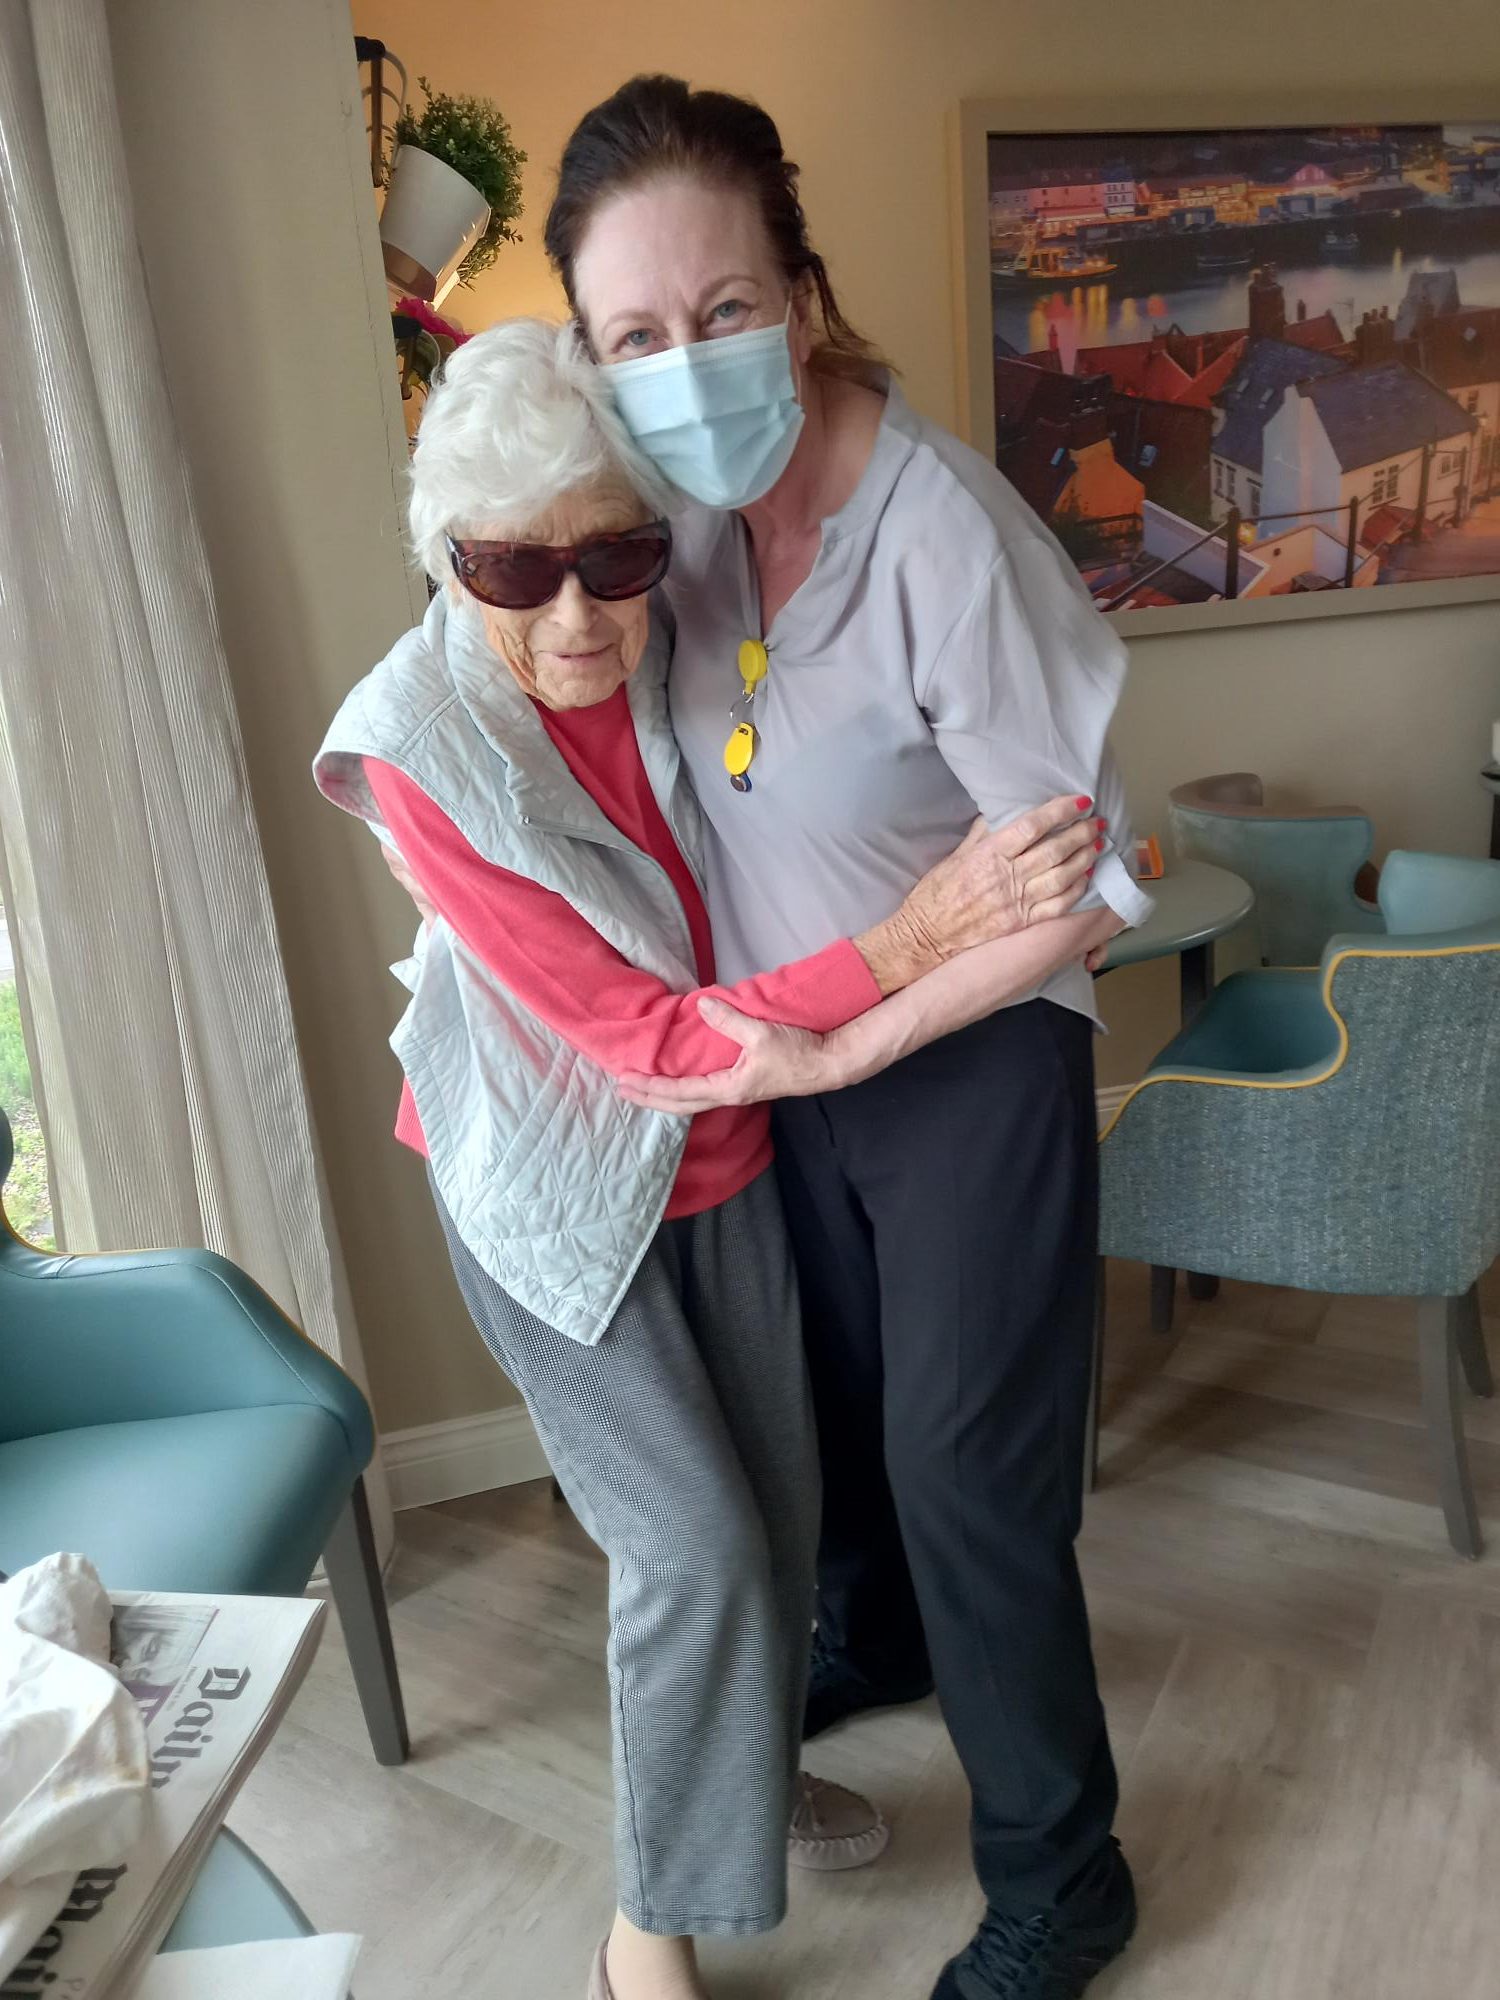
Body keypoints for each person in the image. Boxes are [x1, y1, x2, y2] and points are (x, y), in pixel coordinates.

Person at [315, 319, 1108, 2000]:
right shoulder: (417, 748)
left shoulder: (686, 629)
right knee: (692, 1553)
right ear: (447, 563)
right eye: (512, 569)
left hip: (733, 1154)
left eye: (613, 554)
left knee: (786, 1516)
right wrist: (913, 939)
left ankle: (729, 1797)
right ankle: (643, 1943)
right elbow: (641, 1039)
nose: (576, 616)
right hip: (556, 1193)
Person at [535, 76, 1156, 2000]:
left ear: (800, 301)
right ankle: (873, 1639)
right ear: (593, 363)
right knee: (835, 1423)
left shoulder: (940, 538)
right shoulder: (669, 531)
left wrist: (857, 1041)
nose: (685, 362)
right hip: (791, 1053)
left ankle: (1064, 1874)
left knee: (971, 1472)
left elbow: (1088, 881)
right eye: (636, 335)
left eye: (723, 311)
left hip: (967, 1059)